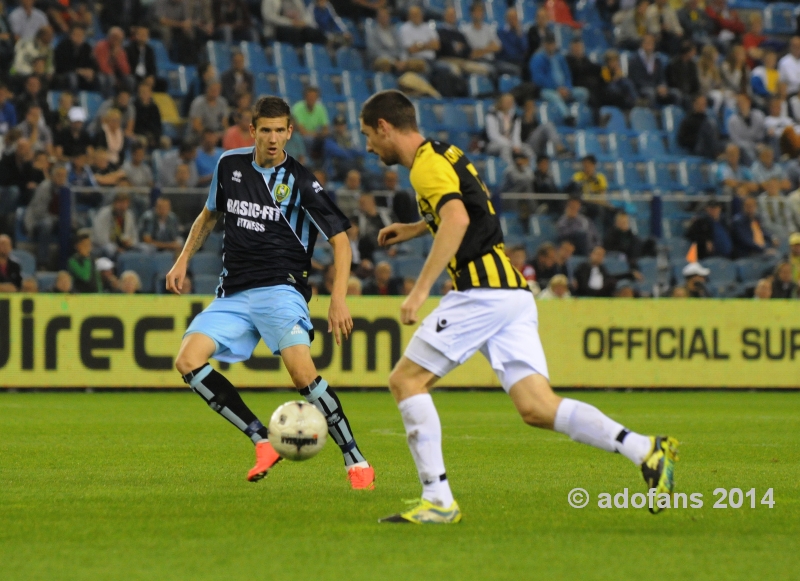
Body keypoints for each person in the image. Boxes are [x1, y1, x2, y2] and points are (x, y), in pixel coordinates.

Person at [359, 90, 677, 523]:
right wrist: (416, 228)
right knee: (537, 408)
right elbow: (468, 207)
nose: (368, 146)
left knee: (406, 381)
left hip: (481, 293)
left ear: (384, 126)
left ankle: (438, 501)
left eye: (368, 135)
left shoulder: (425, 168)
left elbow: (458, 219)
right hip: (512, 294)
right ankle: (646, 449)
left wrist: (419, 292)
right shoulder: (444, 154)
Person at [166, 96, 374, 489]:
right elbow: (210, 214)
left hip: (281, 289)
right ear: (253, 131)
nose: (274, 138)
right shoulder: (230, 165)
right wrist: (182, 260)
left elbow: (342, 240)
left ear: (290, 132)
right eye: (266, 130)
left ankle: (355, 459)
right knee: (188, 360)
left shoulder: (300, 180)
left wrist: (338, 298)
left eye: (281, 130)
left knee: (302, 374)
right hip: (233, 294)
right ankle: (263, 439)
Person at [530, 31, 589, 122]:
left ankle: (578, 116)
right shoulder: (537, 58)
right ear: (544, 44)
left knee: (583, 93)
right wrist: (557, 88)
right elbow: (538, 79)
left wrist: (567, 88)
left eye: (552, 43)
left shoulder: (559, 57)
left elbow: (567, 75)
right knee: (555, 96)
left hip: (564, 89)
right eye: (548, 43)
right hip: (546, 90)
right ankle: (567, 117)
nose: (551, 46)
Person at [24, 164, 70, 268]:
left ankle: (66, 262)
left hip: (58, 221)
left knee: (72, 226)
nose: (61, 178)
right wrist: (58, 219)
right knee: (47, 224)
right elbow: (39, 212)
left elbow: (71, 211)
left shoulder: (67, 189)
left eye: (64, 175)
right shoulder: (45, 187)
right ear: (53, 176)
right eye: (59, 175)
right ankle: (42, 262)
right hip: (38, 221)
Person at [628, 34, 680, 107]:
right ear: (642, 44)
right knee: (651, 93)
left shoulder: (657, 59)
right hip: (642, 89)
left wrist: (662, 86)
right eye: (648, 42)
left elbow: (661, 77)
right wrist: (656, 88)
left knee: (676, 93)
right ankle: (651, 115)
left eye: (652, 43)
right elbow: (637, 80)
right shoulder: (634, 60)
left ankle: (674, 114)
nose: (651, 45)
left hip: (656, 88)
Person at [484, 93, 532, 163]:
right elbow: (493, 135)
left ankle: (530, 170)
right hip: (494, 144)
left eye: (511, 102)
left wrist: (516, 145)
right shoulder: (492, 115)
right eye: (507, 102)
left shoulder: (515, 117)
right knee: (505, 149)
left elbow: (516, 134)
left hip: (511, 143)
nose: (509, 104)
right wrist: (510, 145)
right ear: (501, 102)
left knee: (527, 149)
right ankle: (510, 168)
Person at [92, 192, 139, 257]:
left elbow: (134, 236)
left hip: (124, 246)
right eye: (120, 203)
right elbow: (100, 239)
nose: (122, 206)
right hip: (104, 247)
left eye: (125, 203)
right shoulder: (104, 214)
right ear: (114, 203)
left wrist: (131, 242)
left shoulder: (129, 215)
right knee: (109, 248)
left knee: (144, 248)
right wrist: (116, 248)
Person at [260, 0, 326, 45]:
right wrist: (290, 22)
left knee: (313, 32)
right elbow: (268, 16)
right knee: (293, 33)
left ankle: (321, 55)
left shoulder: (296, 1)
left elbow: (305, 14)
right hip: (276, 29)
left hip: (296, 26)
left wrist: (303, 22)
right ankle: (296, 55)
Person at [53, 25, 97, 92]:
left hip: (82, 74)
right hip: (65, 73)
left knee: (98, 78)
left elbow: (92, 63)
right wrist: (78, 71)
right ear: (71, 35)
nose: (79, 37)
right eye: (77, 34)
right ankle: (72, 96)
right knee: (72, 77)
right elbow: (61, 65)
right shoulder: (63, 46)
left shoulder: (87, 47)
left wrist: (90, 71)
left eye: (81, 35)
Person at [727, 93, 765, 166]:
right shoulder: (732, 120)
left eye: (743, 102)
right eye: (739, 103)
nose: (741, 104)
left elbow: (761, 134)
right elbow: (736, 140)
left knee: (767, 148)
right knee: (746, 150)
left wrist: (760, 143)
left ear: (749, 102)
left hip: (758, 145)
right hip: (743, 149)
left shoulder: (758, 115)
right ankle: (754, 169)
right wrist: (753, 146)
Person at [133, 82, 162, 150]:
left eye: (146, 92)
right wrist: (146, 134)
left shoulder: (154, 107)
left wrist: (155, 135)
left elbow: (158, 125)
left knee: (166, 141)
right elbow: (135, 126)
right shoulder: (135, 106)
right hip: (139, 134)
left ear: (150, 93)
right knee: (143, 141)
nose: (144, 94)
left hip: (153, 134)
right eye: (142, 92)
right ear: (139, 94)